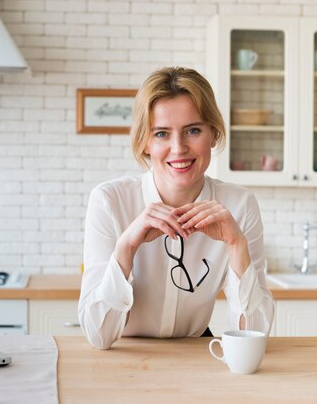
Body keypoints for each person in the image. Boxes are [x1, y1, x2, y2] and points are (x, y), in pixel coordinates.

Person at [78, 67, 274, 350]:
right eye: (161, 134)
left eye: (193, 130)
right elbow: (99, 336)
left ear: (213, 135)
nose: (178, 147)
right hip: (125, 355)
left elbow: (255, 336)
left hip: (194, 356)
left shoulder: (240, 205)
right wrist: (126, 247)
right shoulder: (110, 201)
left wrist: (236, 246)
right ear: (145, 142)